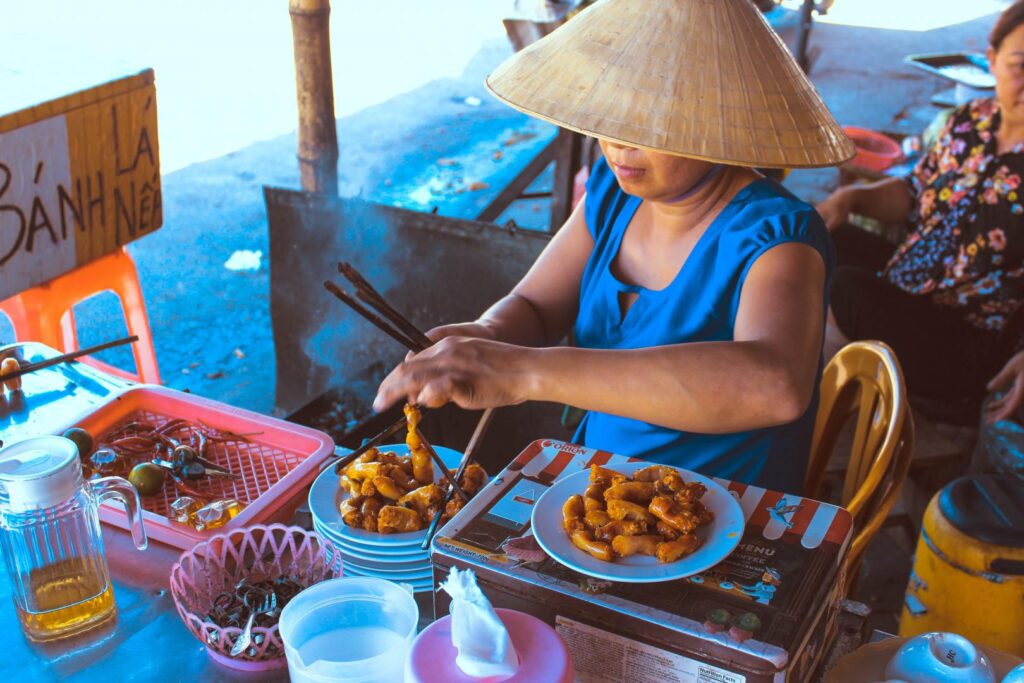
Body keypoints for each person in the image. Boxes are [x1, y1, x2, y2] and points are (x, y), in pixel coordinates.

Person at [373, 0, 854, 492]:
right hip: (600, 499)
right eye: (611, 109)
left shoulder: (778, 235)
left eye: (648, 119)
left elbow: (776, 385)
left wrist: (524, 372)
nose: (619, 141)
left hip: (723, 523)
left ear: (716, 118)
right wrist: (485, 335)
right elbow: (537, 307)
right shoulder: (612, 193)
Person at [816, 0, 1024, 424]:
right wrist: (850, 199)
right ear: (991, 61)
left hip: (967, 341)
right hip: (907, 282)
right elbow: (913, 192)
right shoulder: (969, 122)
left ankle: (820, 413)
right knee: (812, 235)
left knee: (845, 289)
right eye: (1019, 65)